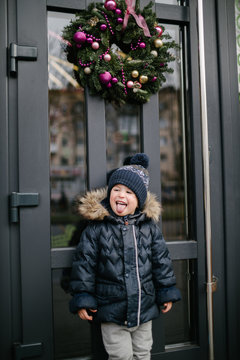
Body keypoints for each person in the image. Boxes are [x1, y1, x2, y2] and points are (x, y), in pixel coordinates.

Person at [69, 153, 181, 360]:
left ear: (138, 200)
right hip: (112, 310)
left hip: (144, 308)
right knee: (121, 357)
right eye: (116, 189)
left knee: (143, 353)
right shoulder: (97, 228)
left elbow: (161, 261)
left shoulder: (148, 227)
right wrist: (83, 297)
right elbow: (84, 264)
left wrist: (166, 290)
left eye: (129, 192)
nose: (121, 195)